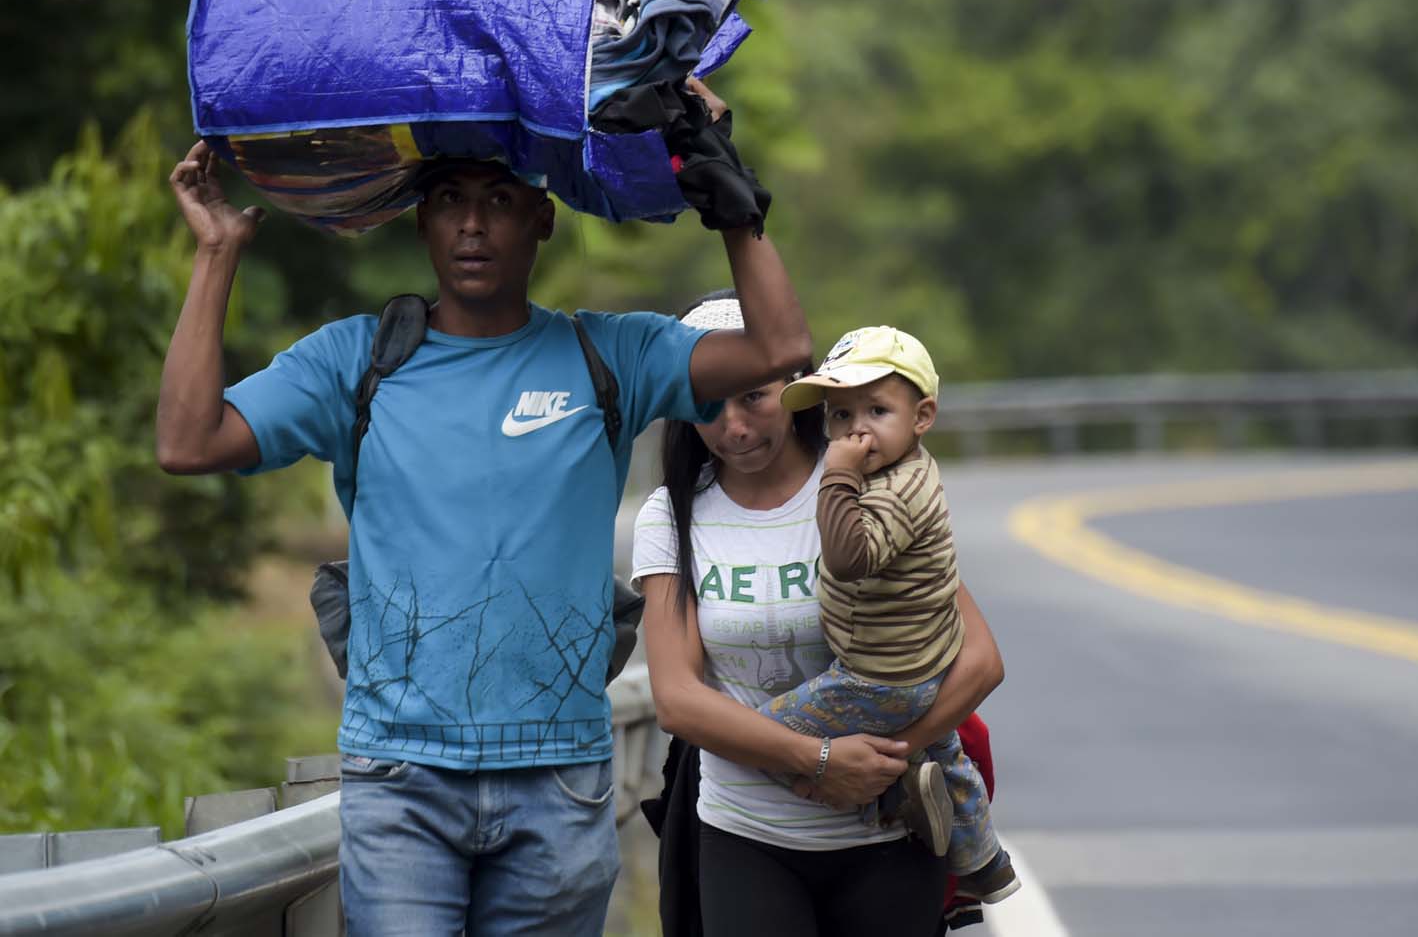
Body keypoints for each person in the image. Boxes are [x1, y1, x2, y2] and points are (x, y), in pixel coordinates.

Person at [156, 105, 811, 935]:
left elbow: (780, 349)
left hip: (560, 779)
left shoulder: (610, 357)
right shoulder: (356, 361)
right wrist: (216, 254)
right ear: (420, 218)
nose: (472, 224)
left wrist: (732, 203)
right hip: (401, 778)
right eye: (448, 199)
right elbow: (187, 440)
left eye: (499, 200)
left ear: (542, 218)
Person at [635, 292, 1006, 937]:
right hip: (743, 836)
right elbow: (678, 700)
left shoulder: (864, 486)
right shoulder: (671, 515)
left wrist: (890, 760)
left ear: (797, 386)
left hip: (888, 837)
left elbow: (977, 660)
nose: (735, 427)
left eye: (753, 396)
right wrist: (822, 762)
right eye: (708, 403)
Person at [767, 325, 1019, 903]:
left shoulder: (887, 490)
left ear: (922, 415)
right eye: (840, 416)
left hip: (877, 676)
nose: (855, 431)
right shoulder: (908, 467)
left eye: (877, 410)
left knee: (763, 735)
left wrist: (837, 475)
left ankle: (885, 790)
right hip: (925, 661)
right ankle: (983, 861)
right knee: (943, 748)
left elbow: (851, 557)